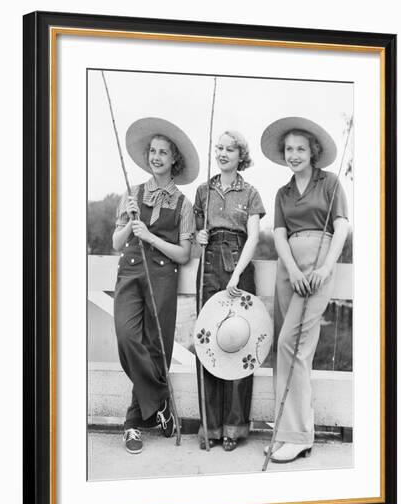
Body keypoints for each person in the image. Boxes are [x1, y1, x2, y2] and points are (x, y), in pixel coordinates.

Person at [260, 117, 349, 463]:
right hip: (290, 269)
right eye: (288, 149)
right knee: (288, 350)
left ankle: (299, 435)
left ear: (313, 152)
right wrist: (293, 269)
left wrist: (325, 268)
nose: (294, 154)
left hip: (317, 265)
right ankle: (287, 433)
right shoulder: (282, 192)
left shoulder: (330, 183)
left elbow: (340, 228)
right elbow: (279, 235)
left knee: (290, 345)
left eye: (300, 148)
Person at [112, 117, 198, 454]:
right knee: (126, 337)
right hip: (130, 273)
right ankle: (162, 403)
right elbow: (118, 242)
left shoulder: (184, 205)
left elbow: (184, 252)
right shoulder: (132, 193)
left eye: (163, 152)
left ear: (173, 159)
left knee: (155, 348)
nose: (156, 157)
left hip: (163, 277)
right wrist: (130, 221)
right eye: (152, 151)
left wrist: (149, 235)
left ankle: (133, 423)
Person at [194, 130, 265, 451]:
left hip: (239, 262)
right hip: (208, 263)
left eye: (229, 149)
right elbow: (195, 231)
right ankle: (209, 427)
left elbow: (253, 237)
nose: (222, 153)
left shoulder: (250, 192)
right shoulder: (202, 191)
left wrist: (236, 273)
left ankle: (233, 429)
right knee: (208, 341)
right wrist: (199, 237)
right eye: (218, 148)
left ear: (241, 155)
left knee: (240, 340)